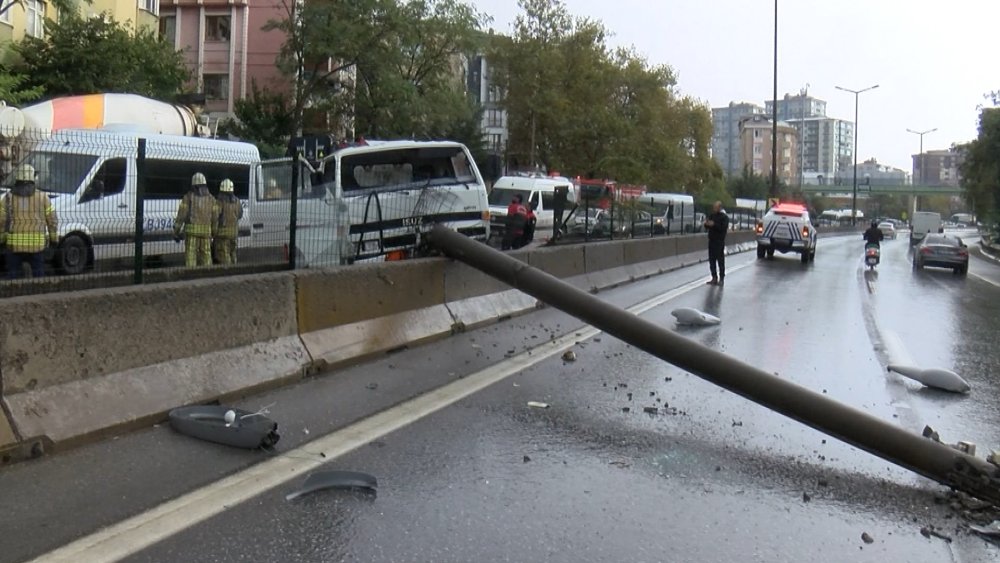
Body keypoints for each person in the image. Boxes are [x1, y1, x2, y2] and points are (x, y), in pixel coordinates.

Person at [0, 164, 57, 279]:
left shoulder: (8, 198)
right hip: (37, 246)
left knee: (13, 278)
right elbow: (52, 221)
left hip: (14, 246)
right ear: (33, 178)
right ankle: (38, 290)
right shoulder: (43, 197)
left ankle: (14, 289)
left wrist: (1, 240)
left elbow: (1, 221)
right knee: (38, 277)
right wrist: (53, 240)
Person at [173, 172, 219, 267]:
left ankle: (191, 272)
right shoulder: (211, 199)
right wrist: (214, 232)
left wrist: (176, 231)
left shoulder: (188, 197)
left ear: (193, 185)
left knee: (191, 256)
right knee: (206, 256)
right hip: (206, 233)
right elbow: (215, 218)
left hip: (191, 233)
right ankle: (207, 272)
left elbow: (181, 215)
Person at [214, 178, 243, 265]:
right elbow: (240, 215)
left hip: (222, 234)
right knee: (233, 252)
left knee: (224, 254)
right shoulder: (237, 201)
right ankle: (234, 268)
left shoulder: (219, 202)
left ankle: (227, 270)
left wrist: (213, 231)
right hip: (234, 232)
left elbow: (215, 217)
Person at [703, 200, 729, 285]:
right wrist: (707, 224)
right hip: (712, 240)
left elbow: (723, 228)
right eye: (714, 207)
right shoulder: (712, 216)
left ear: (720, 208)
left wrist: (714, 225)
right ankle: (714, 277)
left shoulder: (724, 217)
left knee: (720, 260)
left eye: (716, 207)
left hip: (719, 241)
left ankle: (721, 278)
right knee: (712, 260)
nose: (714, 209)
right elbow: (707, 226)